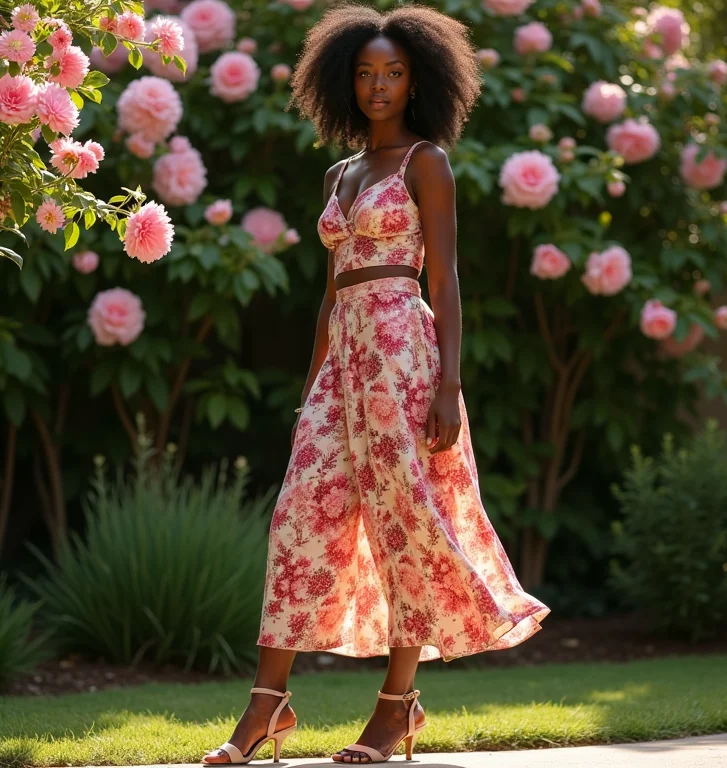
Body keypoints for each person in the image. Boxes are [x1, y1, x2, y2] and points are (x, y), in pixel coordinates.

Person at [202, 2, 550, 764]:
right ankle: (268, 704)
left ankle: (395, 711)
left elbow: (447, 276)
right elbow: (331, 292)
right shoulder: (340, 172)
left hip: (404, 357)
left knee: (407, 528)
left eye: (393, 73)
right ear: (344, 82)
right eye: (365, 74)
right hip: (342, 368)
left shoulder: (428, 161)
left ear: (418, 79)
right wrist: (311, 390)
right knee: (298, 521)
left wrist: (449, 385)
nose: (379, 85)